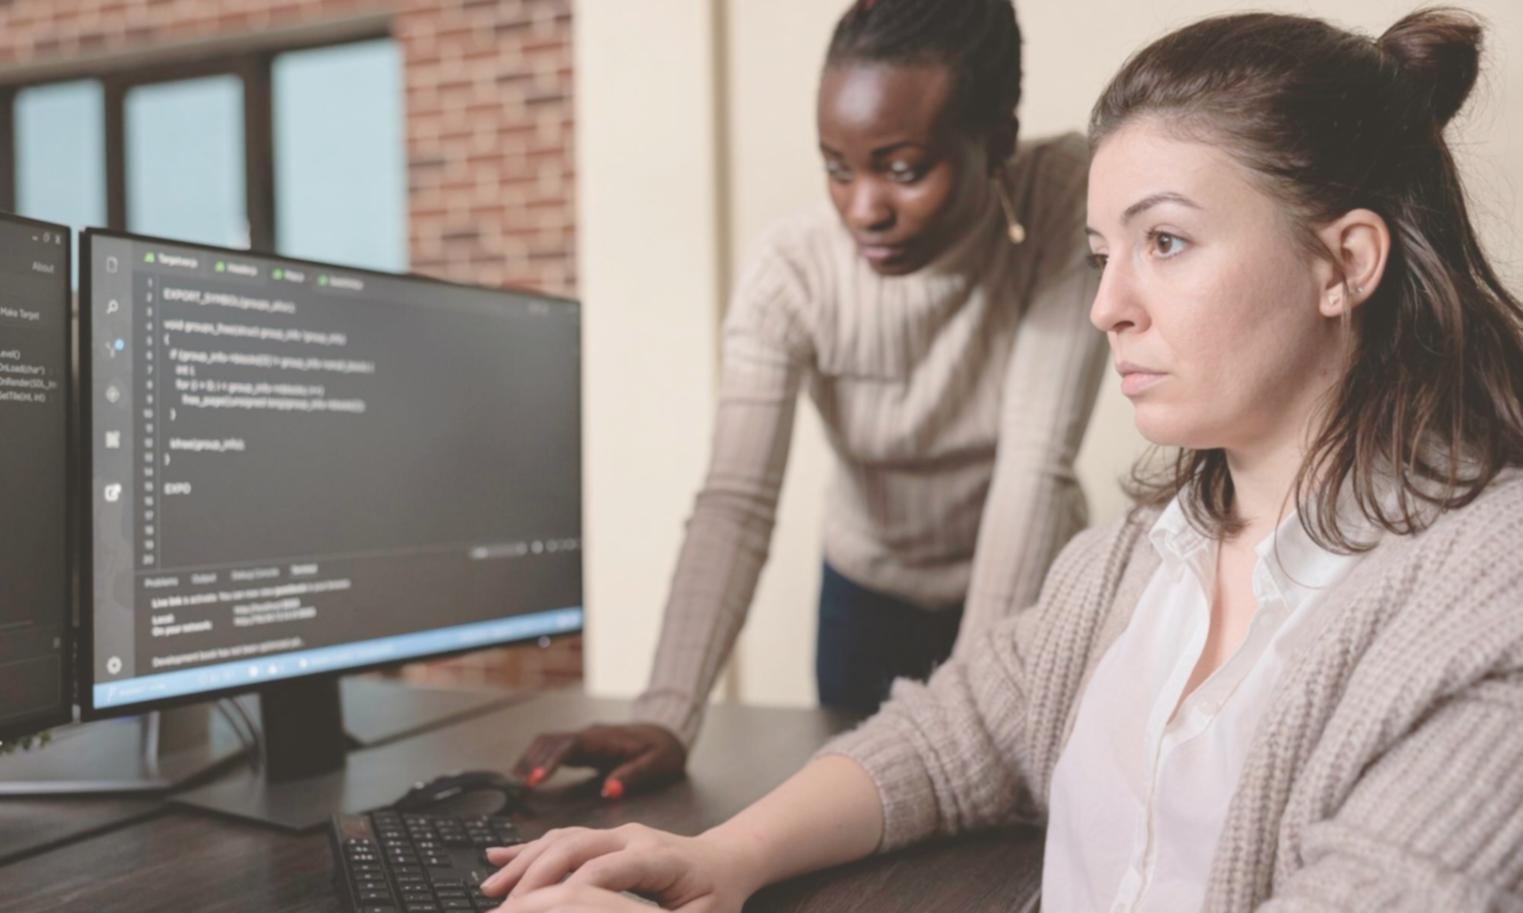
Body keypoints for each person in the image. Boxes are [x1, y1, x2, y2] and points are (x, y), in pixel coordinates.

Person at [480, 8, 1523, 912]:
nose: (1107, 303)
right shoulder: (1127, 564)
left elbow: (1028, 478)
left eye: (1162, 242)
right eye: (1099, 254)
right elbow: (957, 728)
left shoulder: (1486, 606)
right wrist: (715, 855)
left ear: (1341, 263)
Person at [512, 0, 1106, 799]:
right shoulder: (791, 273)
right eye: (836, 166)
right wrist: (666, 712)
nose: (864, 208)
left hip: (1031, 583)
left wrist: (969, 730)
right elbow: (735, 501)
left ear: (996, 138)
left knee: (1007, 819)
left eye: (902, 169)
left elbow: (1032, 470)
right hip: (867, 594)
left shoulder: (1067, 201)